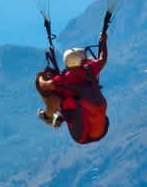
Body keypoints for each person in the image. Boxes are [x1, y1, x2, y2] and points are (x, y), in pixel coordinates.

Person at [34, 10, 111, 144]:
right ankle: (59, 116)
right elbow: (102, 58)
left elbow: (44, 86)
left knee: (58, 98)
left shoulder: (63, 79)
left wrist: (40, 77)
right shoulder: (90, 69)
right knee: (71, 99)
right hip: (101, 129)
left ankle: (53, 116)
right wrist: (103, 41)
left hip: (81, 135)